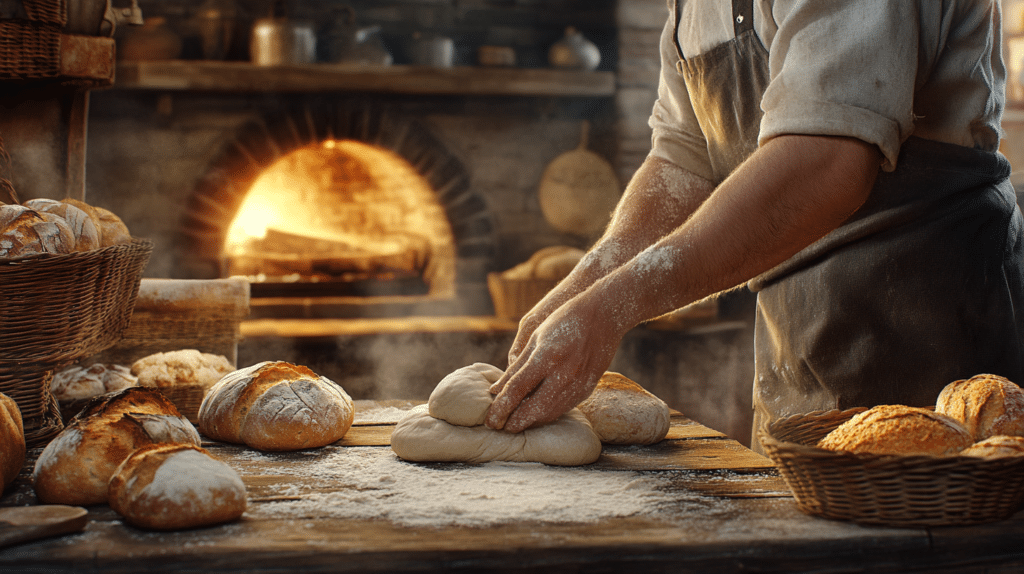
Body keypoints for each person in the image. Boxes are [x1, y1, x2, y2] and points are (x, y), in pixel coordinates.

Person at [484, 0, 1024, 452]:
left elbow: (827, 160)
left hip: (935, 333)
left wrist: (610, 308)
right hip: (797, 343)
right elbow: (683, 158)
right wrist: (588, 283)